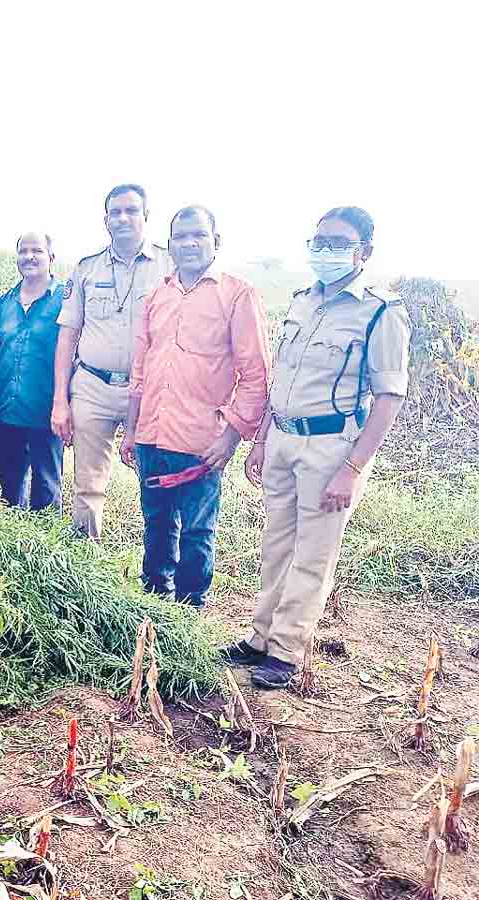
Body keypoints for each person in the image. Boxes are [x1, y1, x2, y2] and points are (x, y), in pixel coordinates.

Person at [226, 207, 410, 689]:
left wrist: (352, 467)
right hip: (284, 437)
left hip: (332, 445)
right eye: (320, 240)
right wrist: (263, 438)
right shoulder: (301, 301)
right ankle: (259, 636)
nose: (325, 250)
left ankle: (286, 651)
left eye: (338, 242)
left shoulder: (380, 313)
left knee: (313, 552)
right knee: (276, 544)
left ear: (364, 251)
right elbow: (280, 378)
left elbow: (388, 398)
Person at [121, 206, 269, 607]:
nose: (188, 244)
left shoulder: (237, 295)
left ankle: (189, 616)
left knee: (197, 532)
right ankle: (154, 609)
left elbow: (256, 375)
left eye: (198, 236)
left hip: (202, 441)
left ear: (215, 242)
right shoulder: (155, 298)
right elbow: (141, 370)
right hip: (152, 434)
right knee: (156, 525)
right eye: (180, 237)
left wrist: (232, 436)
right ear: (169, 245)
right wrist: (132, 432)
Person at [50, 184, 172, 539]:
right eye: (115, 212)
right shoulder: (86, 268)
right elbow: (67, 335)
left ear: (146, 216)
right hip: (92, 385)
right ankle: (87, 562)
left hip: (150, 392)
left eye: (131, 211)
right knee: (87, 483)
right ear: (105, 220)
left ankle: (157, 575)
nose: (123, 218)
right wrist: (60, 400)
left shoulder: (169, 264)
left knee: (156, 484)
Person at [0, 233, 64, 510]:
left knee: (46, 491)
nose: (30, 257)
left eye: (37, 251)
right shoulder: (5, 302)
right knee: (10, 490)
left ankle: (45, 548)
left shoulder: (63, 300)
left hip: (46, 412)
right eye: (23, 251)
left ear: (51, 258)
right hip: (8, 411)